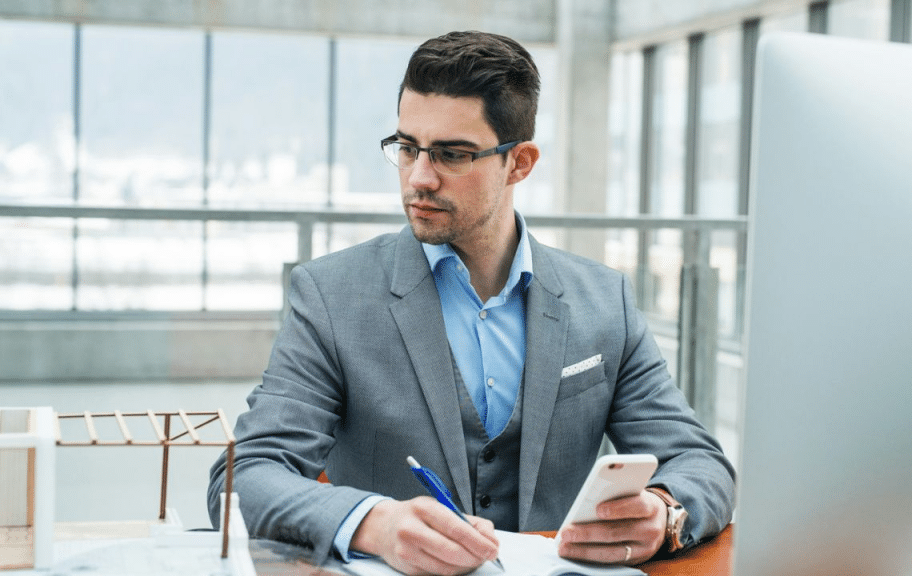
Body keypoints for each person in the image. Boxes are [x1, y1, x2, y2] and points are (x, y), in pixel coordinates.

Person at [208, 30, 735, 575]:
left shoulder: (604, 300)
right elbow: (244, 475)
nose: (419, 177)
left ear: (521, 162)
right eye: (407, 147)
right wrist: (374, 522)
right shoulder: (331, 296)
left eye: (451, 155)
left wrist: (665, 513)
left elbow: (700, 462)